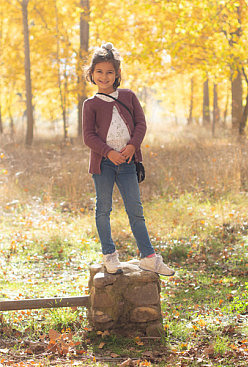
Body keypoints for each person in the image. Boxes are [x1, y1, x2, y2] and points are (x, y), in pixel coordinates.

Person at [82, 43, 174, 276]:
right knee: (103, 209)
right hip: (103, 164)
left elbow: (141, 124)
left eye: (110, 72)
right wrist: (108, 152)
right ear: (92, 74)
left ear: (118, 74)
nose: (104, 76)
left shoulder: (129, 96)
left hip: (127, 163)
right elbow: (88, 136)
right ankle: (109, 255)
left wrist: (133, 146)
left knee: (135, 210)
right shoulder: (90, 105)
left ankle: (149, 258)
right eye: (99, 72)